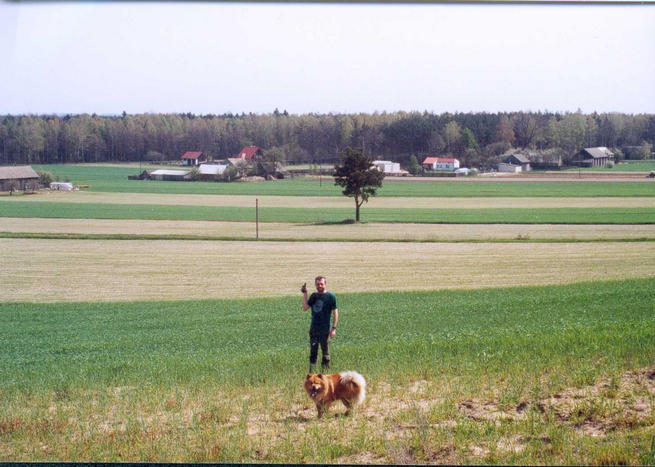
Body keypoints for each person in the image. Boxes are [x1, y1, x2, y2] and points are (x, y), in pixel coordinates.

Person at [301, 276, 339, 373]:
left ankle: (325, 375)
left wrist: (333, 328)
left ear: (325, 284)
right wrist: (305, 294)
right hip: (314, 329)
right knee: (313, 353)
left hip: (325, 330)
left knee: (325, 354)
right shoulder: (314, 296)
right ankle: (312, 375)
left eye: (321, 284)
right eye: (318, 284)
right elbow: (305, 308)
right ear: (315, 285)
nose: (320, 286)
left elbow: (335, 313)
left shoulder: (331, 297)